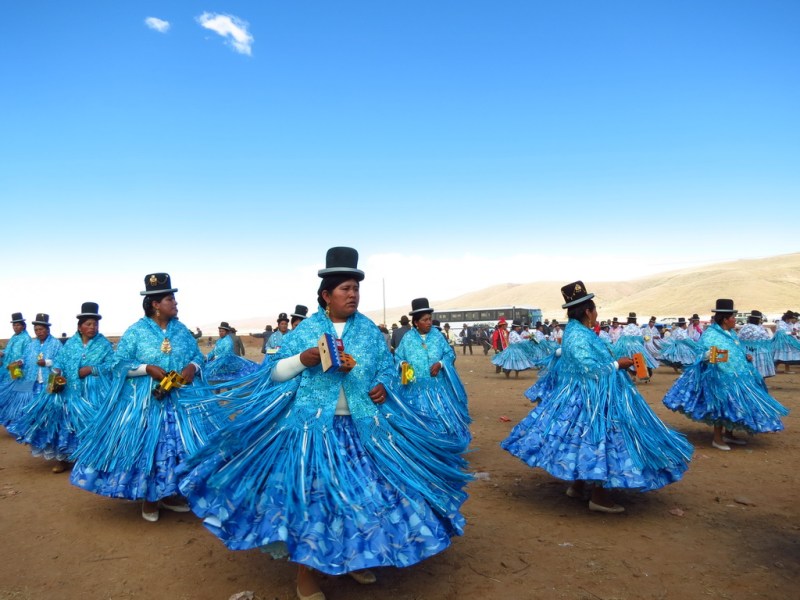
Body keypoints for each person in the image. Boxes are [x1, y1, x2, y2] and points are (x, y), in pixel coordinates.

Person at [177, 247, 468, 600]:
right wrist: (303, 358)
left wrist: (383, 385)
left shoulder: (369, 332)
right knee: (314, 502)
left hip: (364, 429)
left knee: (365, 499)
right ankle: (306, 574)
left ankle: (357, 557)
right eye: (346, 289)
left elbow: (387, 369)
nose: (353, 294)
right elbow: (275, 373)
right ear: (326, 295)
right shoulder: (307, 331)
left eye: (356, 288)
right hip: (313, 431)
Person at [502, 281, 693, 513]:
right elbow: (587, 369)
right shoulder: (579, 335)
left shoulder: (576, 331)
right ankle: (599, 497)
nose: (596, 314)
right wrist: (617, 364)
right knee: (603, 439)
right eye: (595, 310)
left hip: (584, 395)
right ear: (587, 311)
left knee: (584, 439)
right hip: (591, 398)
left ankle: (579, 485)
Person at [70, 273, 217, 523]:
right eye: (170, 299)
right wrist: (147, 368)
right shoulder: (135, 332)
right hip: (146, 403)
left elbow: (197, 356)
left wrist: (192, 367)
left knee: (177, 448)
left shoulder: (182, 331)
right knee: (153, 447)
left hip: (182, 401)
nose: (175, 303)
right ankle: (150, 498)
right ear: (155, 304)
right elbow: (118, 364)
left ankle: (170, 494)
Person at [663, 299, 788, 451]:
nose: (735, 320)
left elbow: (736, 349)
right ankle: (717, 438)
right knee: (721, 404)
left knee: (733, 405)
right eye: (733, 317)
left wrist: (745, 355)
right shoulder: (711, 334)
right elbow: (701, 352)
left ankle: (729, 433)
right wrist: (711, 355)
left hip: (737, 375)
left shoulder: (732, 334)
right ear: (725, 319)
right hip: (719, 376)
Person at [9, 303, 113, 473]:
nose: (92, 327)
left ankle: (89, 459)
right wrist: (56, 370)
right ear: (80, 327)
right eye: (88, 324)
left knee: (91, 424)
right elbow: (60, 361)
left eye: (95, 324)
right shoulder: (71, 344)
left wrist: (91, 369)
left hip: (94, 392)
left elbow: (112, 365)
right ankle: (63, 458)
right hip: (69, 390)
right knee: (65, 422)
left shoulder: (104, 345)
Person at [394, 298, 471, 450]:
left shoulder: (437, 336)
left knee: (442, 420)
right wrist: (403, 364)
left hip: (438, 389)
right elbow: (397, 356)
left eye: (430, 319)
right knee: (420, 423)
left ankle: (444, 449)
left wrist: (440, 364)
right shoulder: (407, 338)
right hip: (414, 390)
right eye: (425, 320)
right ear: (416, 322)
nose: (429, 322)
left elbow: (449, 354)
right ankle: (425, 451)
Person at [1, 313, 62, 429]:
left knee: (47, 409)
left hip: (49, 381)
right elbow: (25, 357)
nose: (38, 332)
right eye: (36, 330)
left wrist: (47, 362)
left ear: (48, 330)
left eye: (41, 329)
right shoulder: (32, 345)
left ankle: (46, 431)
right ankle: (29, 430)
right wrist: (20, 362)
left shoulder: (56, 344)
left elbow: (62, 361)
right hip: (32, 381)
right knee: (27, 406)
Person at [613, 312, 659, 380]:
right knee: (637, 361)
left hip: (625, 346)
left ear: (628, 320)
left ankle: (631, 375)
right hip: (636, 346)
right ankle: (637, 374)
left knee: (625, 360)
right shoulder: (637, 328)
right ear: (635, 320)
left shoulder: (625, 328)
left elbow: (620, 339)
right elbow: (641, 339)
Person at [737, 310, 775, 379]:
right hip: (758, 351)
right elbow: (767, 338)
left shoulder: (744, 328)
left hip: (746, 350)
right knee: (760, 371)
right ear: (758, 320)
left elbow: (739, 338)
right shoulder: (760, 329)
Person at [0, 313, 31, 388]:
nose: (15, 327)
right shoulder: (13, 337)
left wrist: (19, 361)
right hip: (8, 366)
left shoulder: (26, 338)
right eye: (14, 325)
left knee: (14, 387)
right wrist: (2, 353)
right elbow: (9, 351)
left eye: (18, 325)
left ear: (23, 326)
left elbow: (28, 354)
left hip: (18, 367)